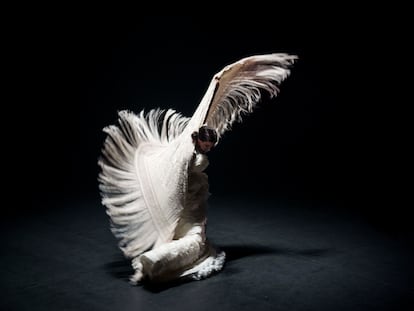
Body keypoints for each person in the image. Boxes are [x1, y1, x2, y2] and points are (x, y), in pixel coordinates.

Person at [98, 53, 297, 285]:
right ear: (199, 139)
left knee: (197, 242)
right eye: (207, 144)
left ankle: (155, 260)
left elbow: (207, 120)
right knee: (196, 244)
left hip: (195, 207)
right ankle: (152, 261)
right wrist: (223, 79)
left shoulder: (198, 141)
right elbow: (211, 95)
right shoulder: (185, 149)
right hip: (187, 210)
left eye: (211, 145)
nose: (210, 148)